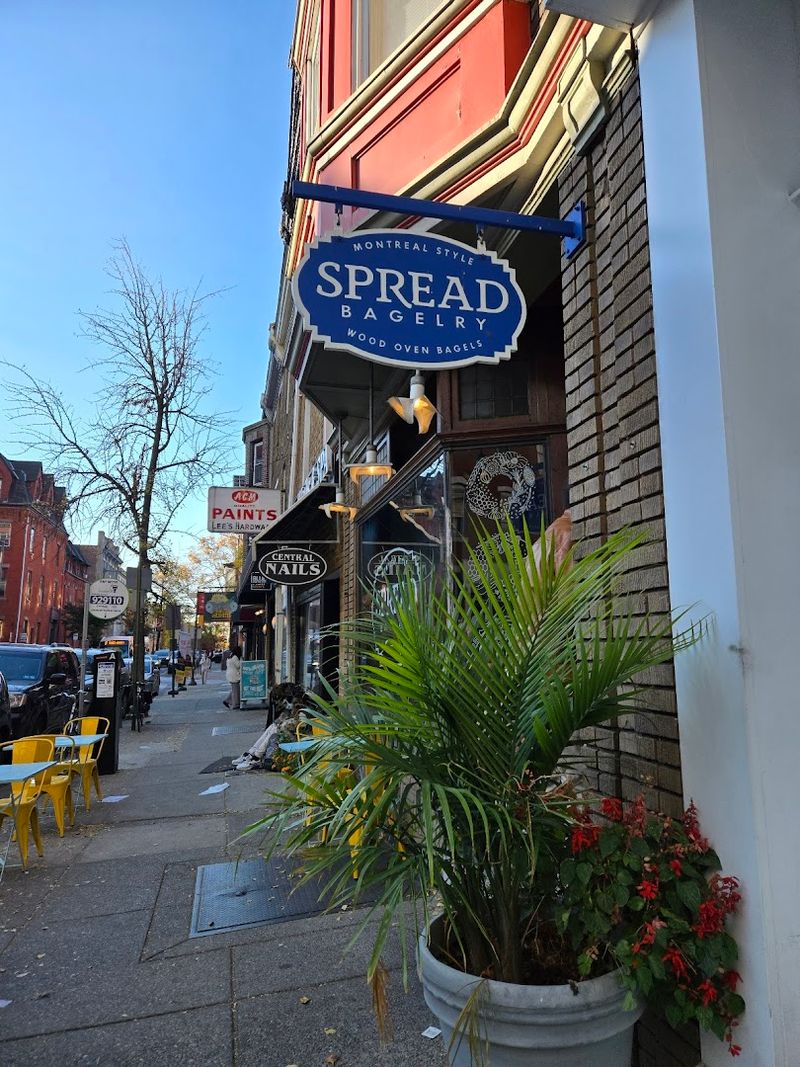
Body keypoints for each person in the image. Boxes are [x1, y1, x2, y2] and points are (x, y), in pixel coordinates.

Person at [223, 644, 242, 709]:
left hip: (230, 674)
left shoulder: (230, 656)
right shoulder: (235, 657)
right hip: (234, 675)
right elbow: (238, 665)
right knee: (235, 690)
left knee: (235, 689)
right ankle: (235, 704)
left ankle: (227, 700)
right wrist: (241, 660)